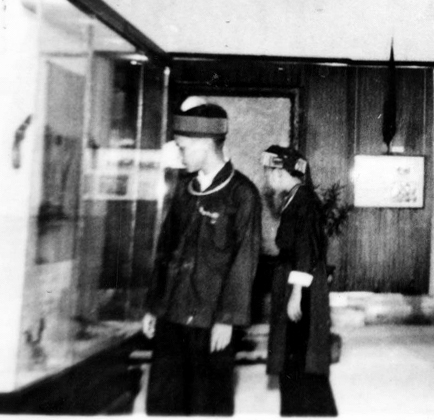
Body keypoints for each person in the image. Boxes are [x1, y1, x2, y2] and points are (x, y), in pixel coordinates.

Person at [142, 99, 262, 416]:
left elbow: (244, 262)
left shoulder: (242, 194)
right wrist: (154, 305)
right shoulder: (184, 190)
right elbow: (165, 250)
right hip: (171, 315)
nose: (179, 155)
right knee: (164, 403)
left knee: (207, 405)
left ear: (205, 144)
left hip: (210, 322)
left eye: (183, 147)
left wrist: (227, 319)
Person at [263, 145, 337, 417]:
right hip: (296, 279)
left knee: (299, 354)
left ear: (280, 172)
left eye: (268, 172)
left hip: (301, 285)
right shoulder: (296, 198)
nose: (267, 178)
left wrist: (295, 294)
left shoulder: (303, 201)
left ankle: (306, 411)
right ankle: (298, 409)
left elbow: (305, 250)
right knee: (295, 355)